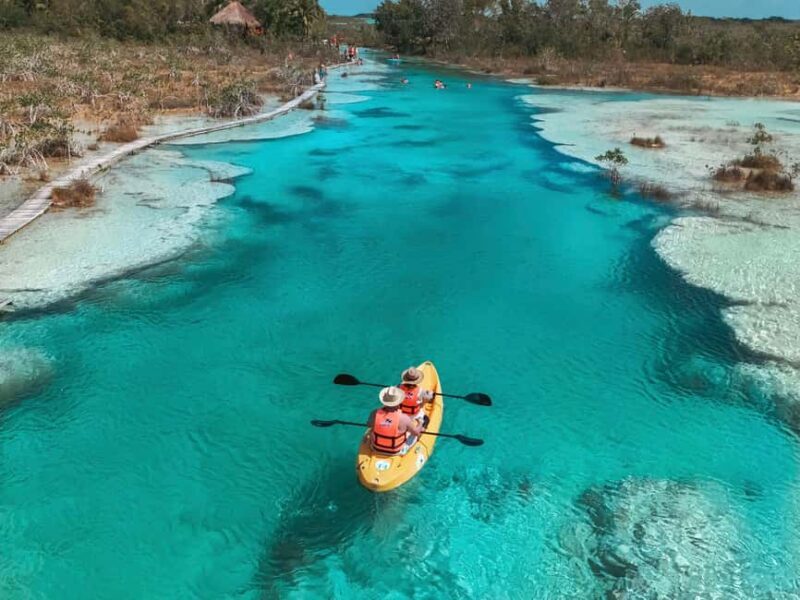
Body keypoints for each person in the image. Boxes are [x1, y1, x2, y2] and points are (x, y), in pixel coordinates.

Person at [368, 386, 423, 454]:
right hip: (396, 451)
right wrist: (420, 423)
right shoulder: (404, 418)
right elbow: (416, 433)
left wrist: (384, 426)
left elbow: (369, 424)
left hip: (376, 448)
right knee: (414, 433)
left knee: (372, 430)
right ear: (399, 402)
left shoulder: (374, 413)